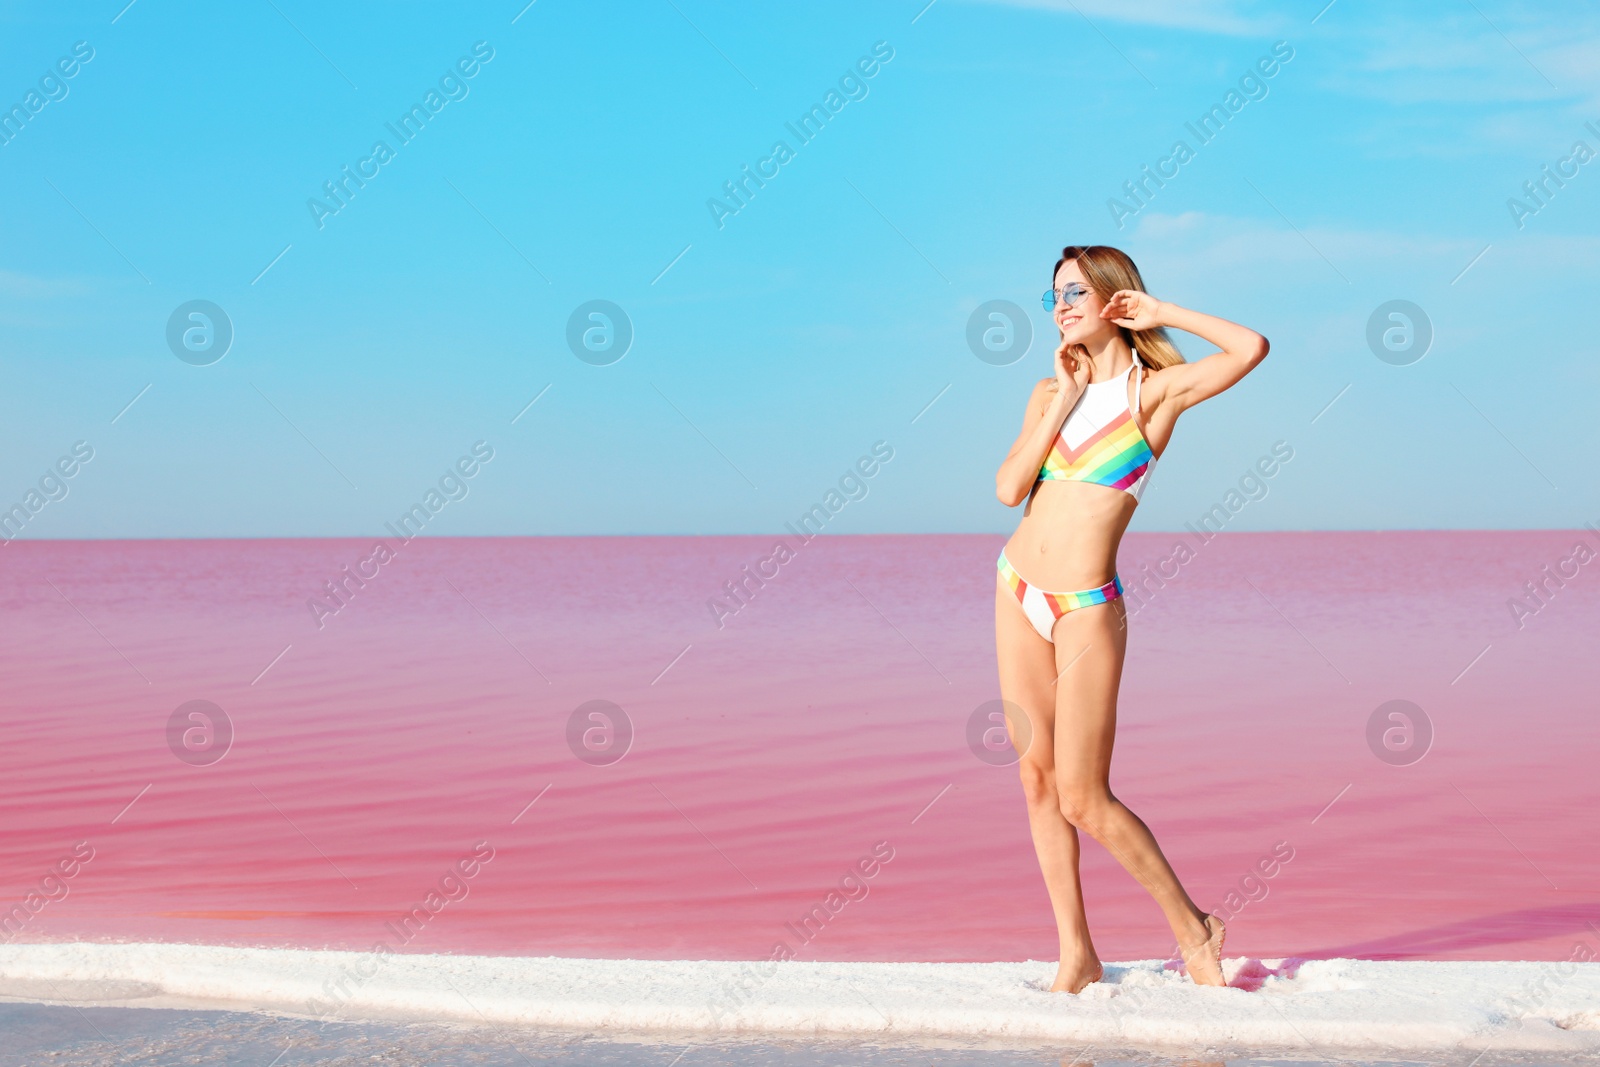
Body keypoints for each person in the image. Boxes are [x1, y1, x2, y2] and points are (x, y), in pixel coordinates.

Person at [993, 244, 1269, 993]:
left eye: (1076, 290)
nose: (1061, 304)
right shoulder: (1047, 390)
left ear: (1116, 298)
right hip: (1016, 588)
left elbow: (1250, 348)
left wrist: (1162, 312)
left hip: (1086, 607)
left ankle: (1194, 925)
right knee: (1036, 780)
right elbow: (1009, 485)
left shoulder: (1155, 394)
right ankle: (1076, 952)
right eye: (1053, 294)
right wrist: (1059, 401)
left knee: (1084, 792)